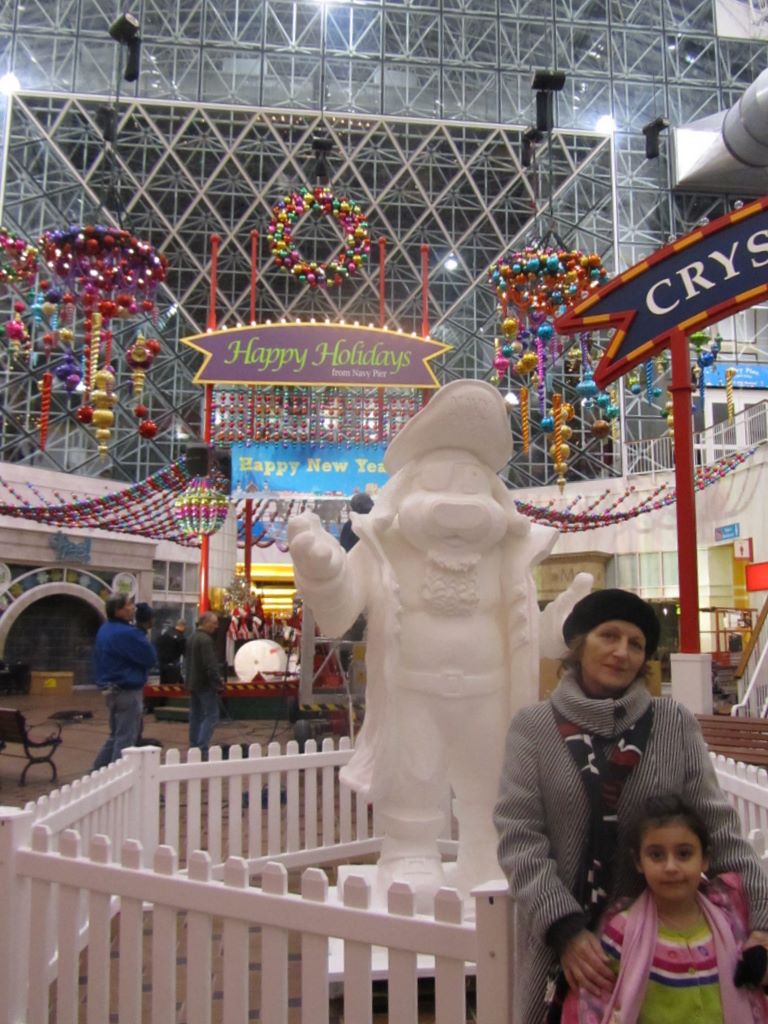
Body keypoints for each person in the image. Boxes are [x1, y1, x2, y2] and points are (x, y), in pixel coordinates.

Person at [288, 379, 590, 910]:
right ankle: (409, 852)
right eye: (439, 483)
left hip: (489, 694)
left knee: (490, 784)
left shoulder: (507, 555)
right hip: (412, 692)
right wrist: (322, 570)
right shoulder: (385, 548)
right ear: (405, 494)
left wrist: (564, 627)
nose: (457, 505)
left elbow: (528, 633)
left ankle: (487, 854)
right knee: (413, 775)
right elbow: (341, 611)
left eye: (472, 484)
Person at [493, 587, 768, 1024]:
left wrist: (762, 921)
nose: (622, 652)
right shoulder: (533, 727)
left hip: (665, 953)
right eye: (609, 636)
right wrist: (564, 929)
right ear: (580, 644)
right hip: (571, 952)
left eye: (636, 644)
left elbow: (717, 828)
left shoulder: (673, 723)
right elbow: (519, 835)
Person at [564, 793, 768, 1023]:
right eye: (657, 855)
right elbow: (594, 1002)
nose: (671, 867)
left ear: (705, 858)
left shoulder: (729, 922)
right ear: (638, 862)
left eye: (684, 854)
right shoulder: (622, 932)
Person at [92, 593, 157, 770]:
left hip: (111, 689)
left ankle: (95, 773)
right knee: (126, 738)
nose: (133, 608)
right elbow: (150, 657)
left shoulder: (105, 629)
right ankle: (118, 775)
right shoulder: (127, 633)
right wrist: (141, 631)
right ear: (118, 610)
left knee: (115, 735)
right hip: (127, 689)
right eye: (129, 605)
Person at [186, 610, 223, 756]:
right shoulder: (206, 640)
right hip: (205, 684)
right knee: (212, 715)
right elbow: (210, 665)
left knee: (196, 715)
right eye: (214, 623)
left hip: (193, 682)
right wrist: (217, 683)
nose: (216, 626)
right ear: (206, 623)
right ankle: (202, 747)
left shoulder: (191, 638)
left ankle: (193, 744)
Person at [156, 620, 187, 684]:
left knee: (163, 685)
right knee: (175, 687)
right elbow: (185, 653)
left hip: (162, 664)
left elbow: (158, 643)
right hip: (173, 666)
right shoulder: (180, 638)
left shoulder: (167, 633)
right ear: (183, 626)